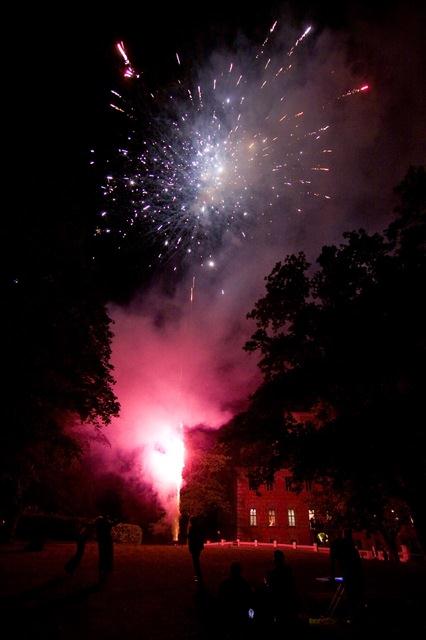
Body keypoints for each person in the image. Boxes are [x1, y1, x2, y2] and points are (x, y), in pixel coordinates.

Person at [330, 528, 364, 621]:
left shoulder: (338, 544)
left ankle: (351, 616)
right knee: (353, 595)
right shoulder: (350, 546)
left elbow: (333, 560)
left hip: (349, 573)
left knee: (351, 595)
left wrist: (333, 574)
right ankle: (354, 615)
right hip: (353, 573)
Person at [218, 562, 254, 638]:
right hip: (240, 616)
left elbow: (220, 599)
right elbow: (250, 600)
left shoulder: (225, 584)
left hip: (229, 616)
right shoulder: (244, 584)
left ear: (231, 571)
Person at [264, 550, 298, 629]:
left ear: (275, 560)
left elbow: (270, 587)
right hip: (288, 602)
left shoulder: (273, 573)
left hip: (278, 603)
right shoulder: (288, 571)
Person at [95, 514, 115, 584]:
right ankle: (104, 571)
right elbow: (109, 526)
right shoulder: (103, 522)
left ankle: (103, 572)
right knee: (105, 556)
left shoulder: (100, 521)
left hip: (103, 541)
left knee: (103, 556)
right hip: (105, 540)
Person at [187, 515, 205, 583]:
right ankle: (198, 577)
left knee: (195, 562)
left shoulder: (192, 528)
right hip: (197, 546)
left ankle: (197, 578)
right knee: (196, 561)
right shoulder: (198, 528)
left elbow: (191, 538)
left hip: (195, 547)